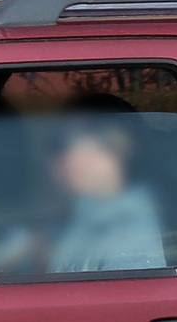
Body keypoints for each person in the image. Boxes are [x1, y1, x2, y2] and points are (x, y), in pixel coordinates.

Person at [46, 98, 169, 273]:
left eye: (96, 140)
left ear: (126, 147)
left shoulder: (129, 235)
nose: (72, 155)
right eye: (60, 143)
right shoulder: (80, 214)